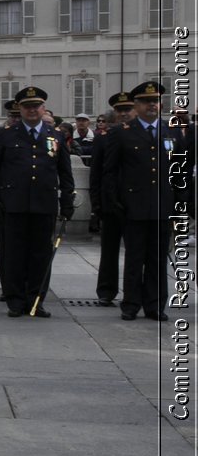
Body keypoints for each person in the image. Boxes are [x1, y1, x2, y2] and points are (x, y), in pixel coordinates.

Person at [0, 86, 74, 318]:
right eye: (27, 106)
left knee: (41, 255)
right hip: (13, 204)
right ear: (20, 109)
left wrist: (66, 200)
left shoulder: (55, 135)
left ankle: (36, 299)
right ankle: (14, 299)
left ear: (43, 108)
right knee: (13, 254)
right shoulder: (5, 135)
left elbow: (64, 172)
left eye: (36, 106)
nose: (32, 110)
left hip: (44, 204)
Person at [102, 80, 189, 321]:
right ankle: (130, 304)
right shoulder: (121, 132)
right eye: (146, 102)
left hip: (162, 205)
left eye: (156, 101)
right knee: (134, 258)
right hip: (133, 206)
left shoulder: (171, 131)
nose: (152, 105)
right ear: (137, 105)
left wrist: (180, 204)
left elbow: (179, 171)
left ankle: (154, 305)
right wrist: (114, 201)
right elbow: (110, 171)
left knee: (157, 260)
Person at [88, 91, 136, 304]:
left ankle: (134, 293)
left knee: (136, 252)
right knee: (109, 251)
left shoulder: (142, 135)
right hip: (110, 202)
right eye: (120, 111)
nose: (124, 114)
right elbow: (96, 172)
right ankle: (106, 291)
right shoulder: (103, 138)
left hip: (135, 203)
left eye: (127, 110)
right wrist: (96, 202)